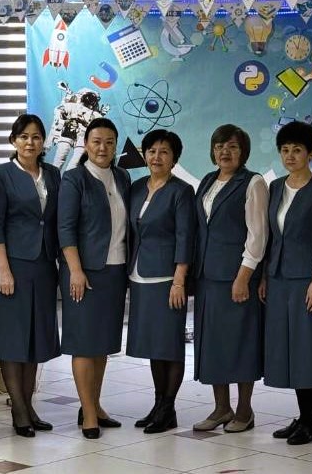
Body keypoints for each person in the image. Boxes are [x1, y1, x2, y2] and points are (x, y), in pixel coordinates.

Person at [0, 114, 61, 437]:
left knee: (35, 339)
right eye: (24, 136)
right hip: (11, 266)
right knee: (13, 340)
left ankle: (29, 405)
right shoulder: (1, 175)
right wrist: (2, 270)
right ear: (13, 140)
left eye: (36, 137)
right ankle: (18, 409)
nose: (30, 142)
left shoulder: (53, 174)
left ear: (44, 142)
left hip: (44, 265)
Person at [260, 121, 312, 445]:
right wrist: (265, 275)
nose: (290, 156)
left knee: (309, 349)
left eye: (297, 150)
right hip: (279, 279)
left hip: (307, 278)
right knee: (288, 348)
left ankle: (310, 422)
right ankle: (301, 418)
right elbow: (270, 236)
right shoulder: (276, 187)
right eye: (285, 150)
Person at [192, 124, 268, 434]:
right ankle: (221, 408)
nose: (225, 152)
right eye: (220, 146)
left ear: (243, 152)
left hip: (236, 277)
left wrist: (243, 277)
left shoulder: (253, 183)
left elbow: (258, 235)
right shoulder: (208, 181)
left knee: (240, 342)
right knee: (213, 344)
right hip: (208, 277)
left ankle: (245, 410)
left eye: (232, 147)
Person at [58, 117, 131, 439]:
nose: (103, 148)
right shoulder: (74, 179)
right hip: (84, 273)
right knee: (84, 344)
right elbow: (65, 228)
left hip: (115, 270)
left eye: (109, 142)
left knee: (102, 344)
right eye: (97, 141)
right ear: (86, 145)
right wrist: (75, 270)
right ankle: (87, 413)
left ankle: (96, 405)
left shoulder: (122, 176)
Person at [126, 129, 195, 433]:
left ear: (174, 158)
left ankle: (168, 406)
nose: (157, 157)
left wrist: (179, 280)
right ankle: (159, 406)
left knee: (169, 344)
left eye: (164, 152)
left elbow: (185, 236)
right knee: (154, 344)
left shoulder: (181, 191)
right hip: (139, 274)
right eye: (152, 151)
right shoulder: (136, 187)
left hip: (168, 277)